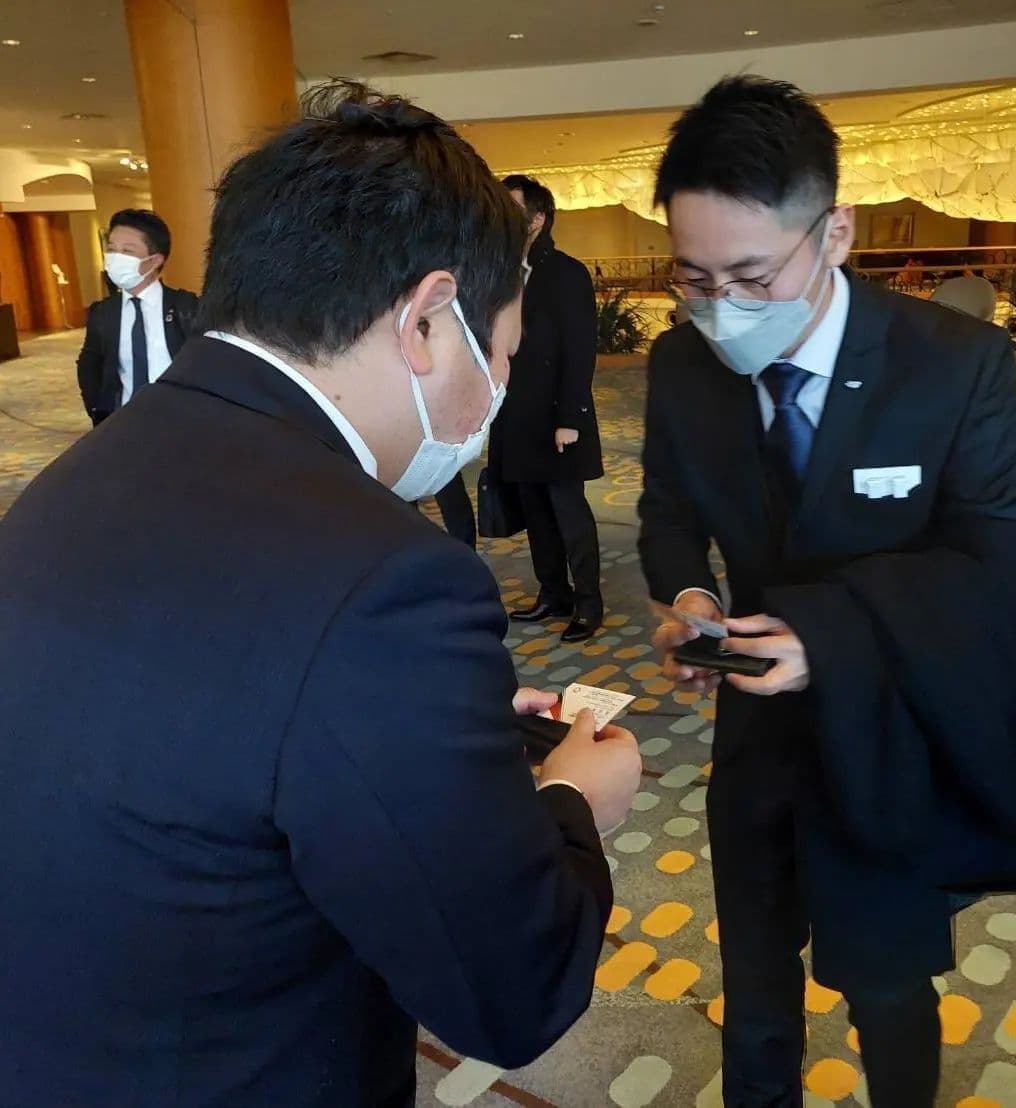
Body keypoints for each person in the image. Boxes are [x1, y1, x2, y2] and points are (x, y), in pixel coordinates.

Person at [0, 81, 642, 1107]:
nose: (498, 389)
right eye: (504, 354)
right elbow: (512, 992)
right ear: (427, 319)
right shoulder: (388, 580)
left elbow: (234, 708)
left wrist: (438, 728)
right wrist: (571, 802)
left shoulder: (92, 469)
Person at [640, 76, 1016, 1108]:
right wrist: (688, 599)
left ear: (836, 232)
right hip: (753, 731)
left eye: (752, 275)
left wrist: (828, 635)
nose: (722, 308)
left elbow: (1007, 563)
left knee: (887, 985)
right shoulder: (681, 366)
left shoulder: (950, 363)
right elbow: (667, 512)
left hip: (892, 718)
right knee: (755, 982)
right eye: (694, 278)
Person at [492, 174, 605, 643]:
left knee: (569, 515)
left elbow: (580, 350)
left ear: (537, 219)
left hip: (558, 417)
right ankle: (553, 593)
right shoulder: (502, 272)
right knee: (535, 514)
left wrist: (570, 418)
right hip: (516, 416)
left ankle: (588, 603)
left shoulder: (565, 273)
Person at [75, 208, 198, 425]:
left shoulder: (186, 307)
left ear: (154, 260)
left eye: (127, 251)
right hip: (124, 421)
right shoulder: (103, 312)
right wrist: (97, 409)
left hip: (181, 421)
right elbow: (89, 364)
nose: (115, 258)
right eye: (111, 249)